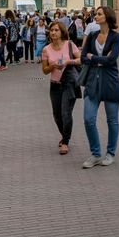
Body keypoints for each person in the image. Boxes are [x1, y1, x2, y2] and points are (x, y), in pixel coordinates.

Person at [80, 6, 119, 168]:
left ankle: (110, 153)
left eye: (99, 14)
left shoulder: (116, 37)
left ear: (107, 17)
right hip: (92, 81)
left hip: (110, 81)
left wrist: (94, 57)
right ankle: (96, 154)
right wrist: (99, 58)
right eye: (96, 14)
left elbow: (112, 59)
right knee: (88, 119)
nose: (96, 16)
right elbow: (84, 57)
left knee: (112, 121)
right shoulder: (92, 36)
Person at [41, 20, 81, 155]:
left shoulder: (70, 45)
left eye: (56, 30)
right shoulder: (46, 49)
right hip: (55, 85)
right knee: (57, 115)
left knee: (66, 113)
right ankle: (64, 135)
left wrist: (68, 62)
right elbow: (45, 70)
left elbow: (81, 60)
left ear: (62, 32)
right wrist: (53, 66)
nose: (53, 32)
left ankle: (65, 142)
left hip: (69, 83)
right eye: (51, 30)